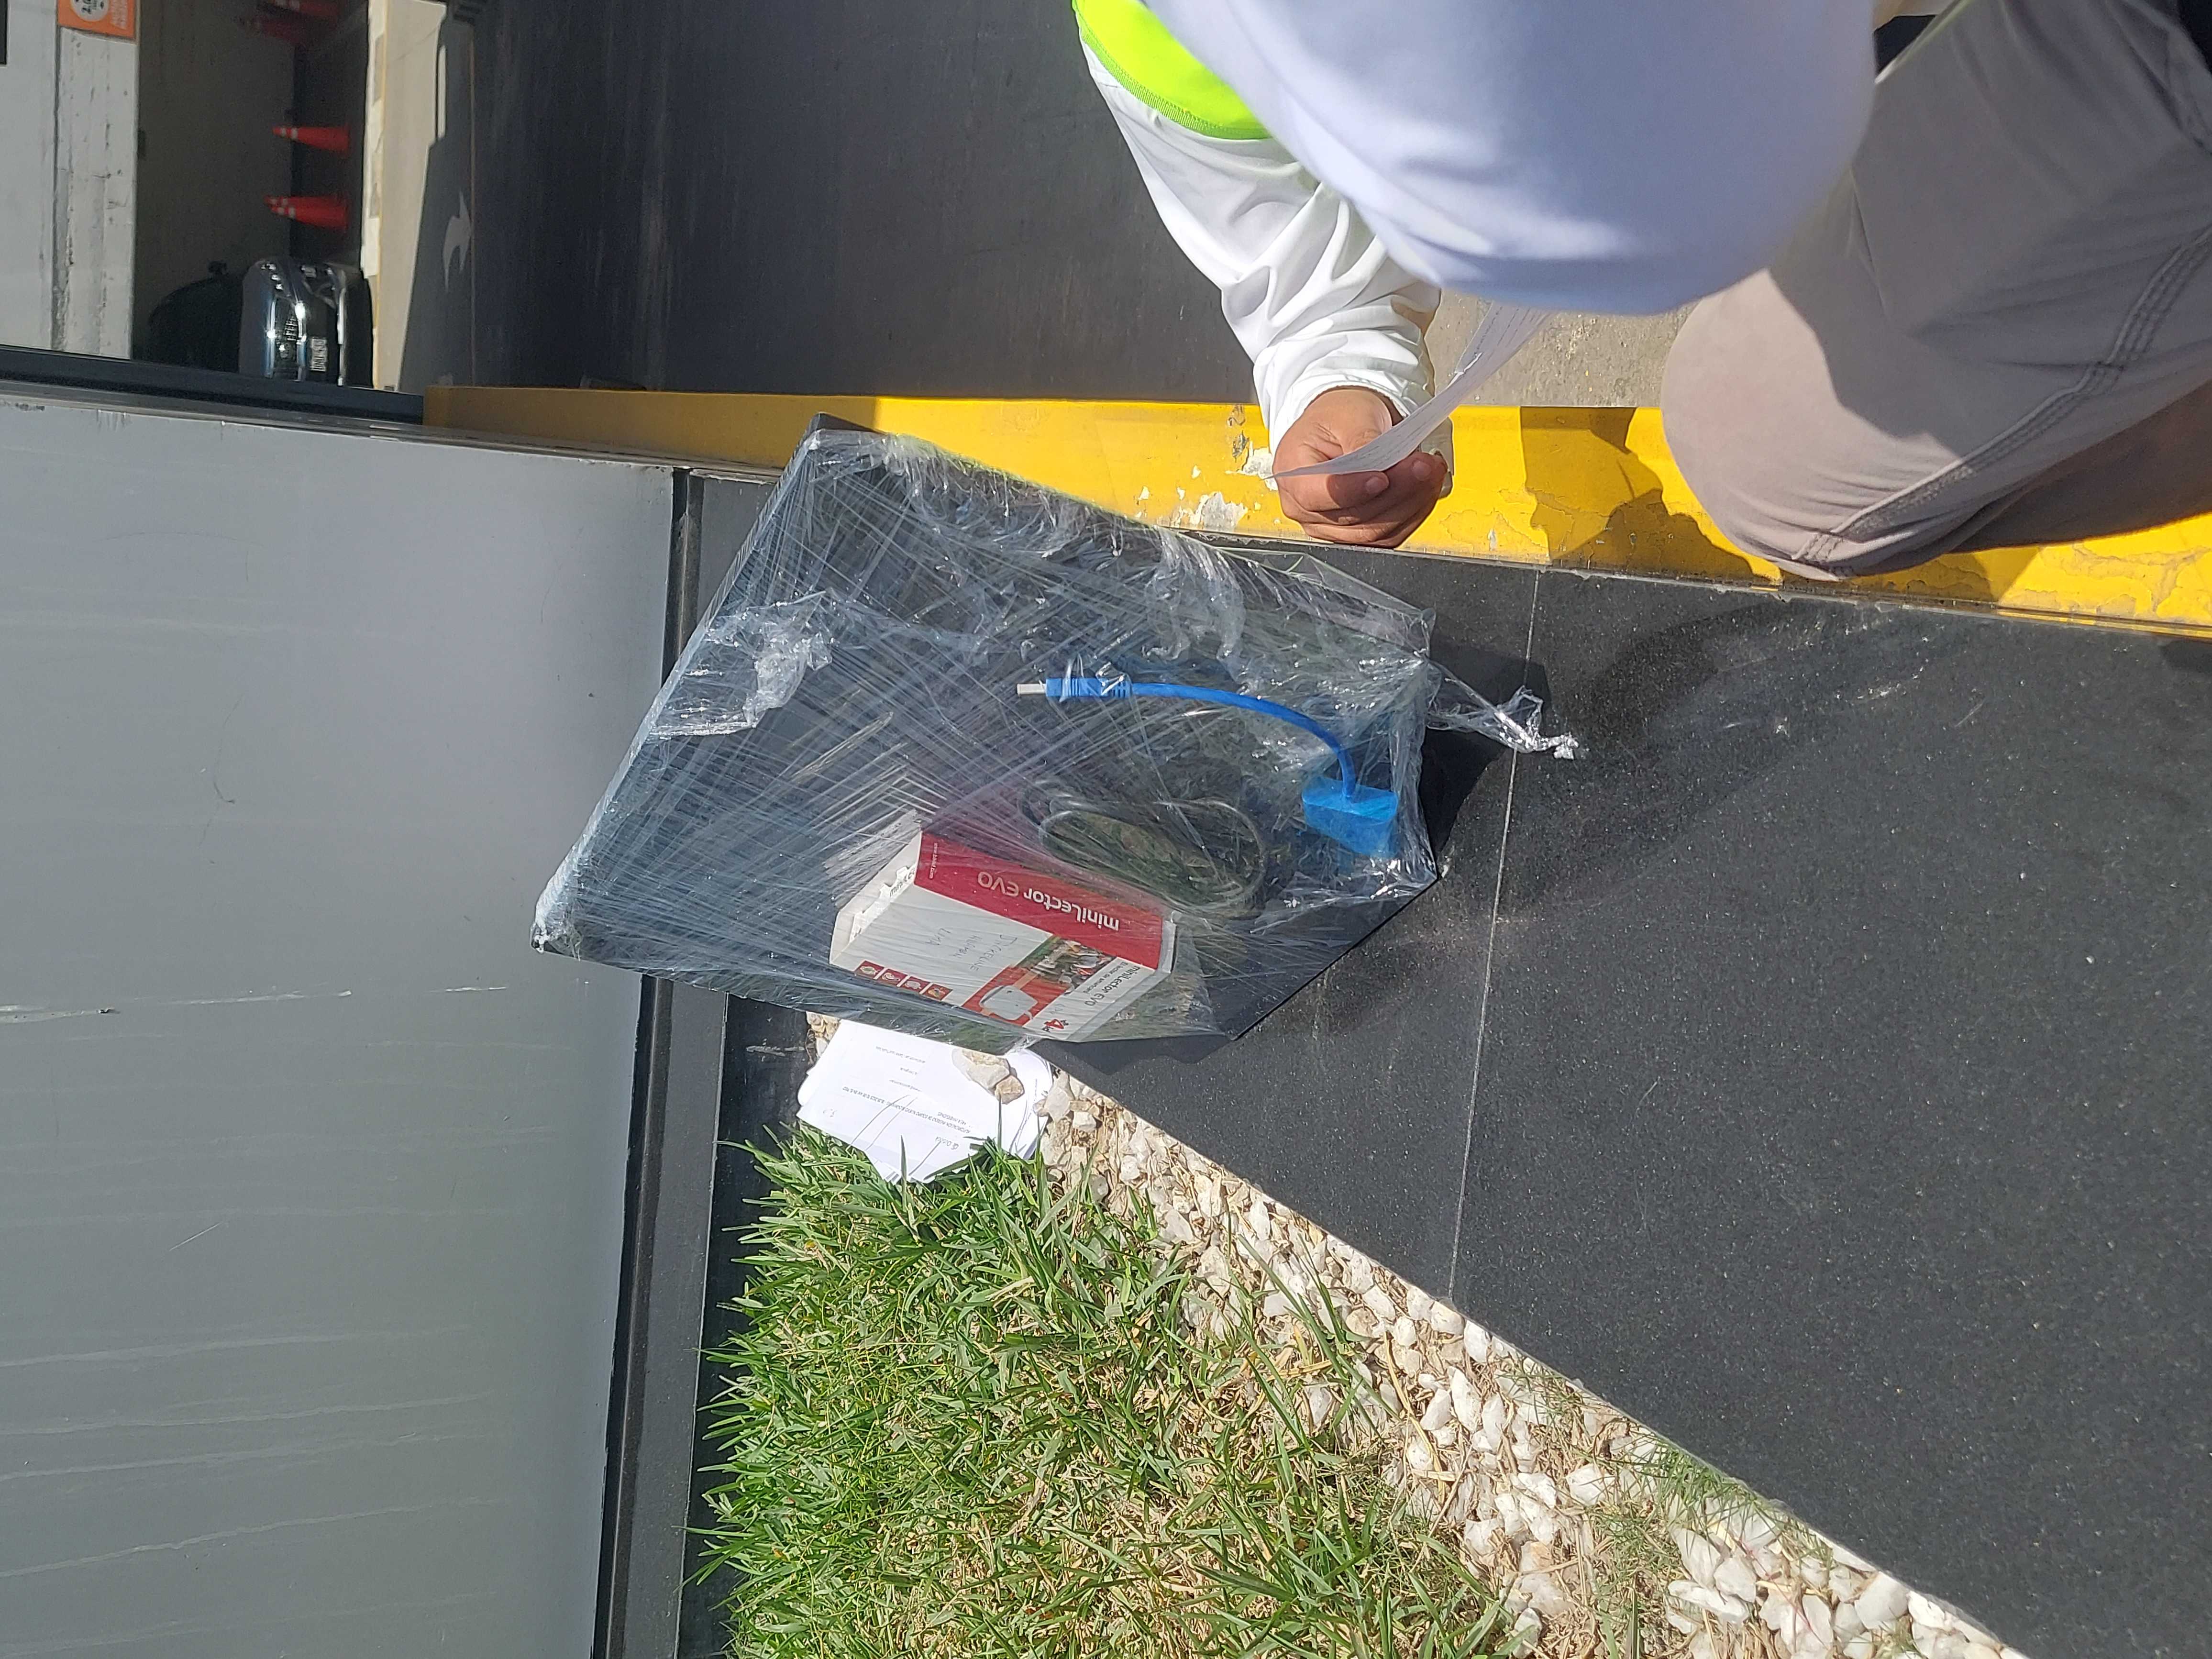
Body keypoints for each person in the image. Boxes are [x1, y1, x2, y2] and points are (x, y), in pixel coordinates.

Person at [1077, 0, 2212, 572]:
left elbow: (1687, 189)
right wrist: (1336, 368)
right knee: (1767, 438)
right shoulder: (1172, 46)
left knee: (1777, 464)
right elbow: (1292, 257)